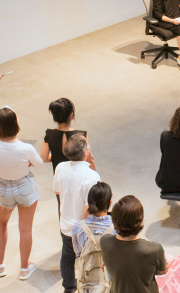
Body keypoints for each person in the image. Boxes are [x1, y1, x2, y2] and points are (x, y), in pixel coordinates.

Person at [0, 106, 43, 280]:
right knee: (25, 229)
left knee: (1, 225)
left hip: (3, 189)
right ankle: (24, 268)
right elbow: (39, 163)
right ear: (16, 124)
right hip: (25, 189)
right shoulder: (25, 148)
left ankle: (1, 265)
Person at [53, 133, 100, 293]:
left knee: (67, 257)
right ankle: (88, 286)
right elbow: (89, 207)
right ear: (85, 153)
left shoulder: (60, 168)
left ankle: (69, 287)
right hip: (83, 227)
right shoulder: (92, 176)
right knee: (88, 258)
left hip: (65, 224)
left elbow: (57, 192)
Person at [100, 195, 169, 293]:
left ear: (114, 220)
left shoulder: (105, 241)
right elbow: (162, 271)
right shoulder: (154, 249)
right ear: (140, 220)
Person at [72, 182, 115, 258]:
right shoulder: (117, 227)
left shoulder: (78, 227)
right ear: (110, 202)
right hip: (109, 269)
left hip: (87, 269)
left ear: (89, 202)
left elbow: (78, 253)